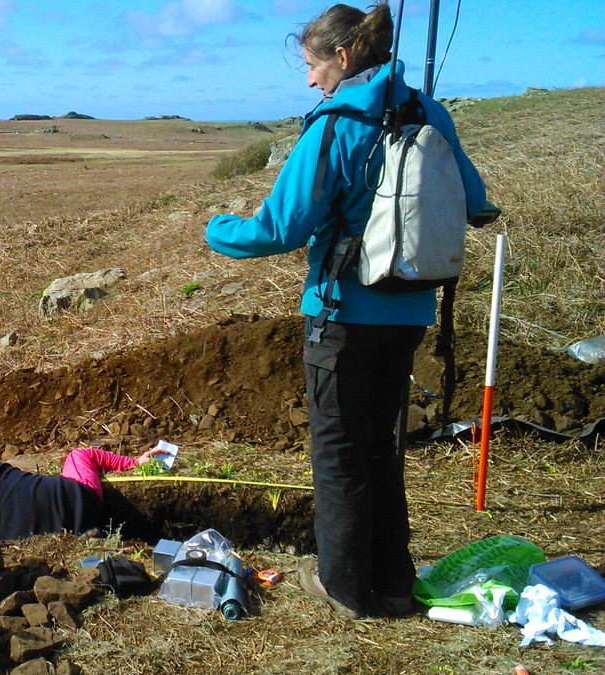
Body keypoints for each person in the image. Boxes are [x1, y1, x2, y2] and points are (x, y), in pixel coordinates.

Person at [204, 2, 486, 618]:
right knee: (382, 448)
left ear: (344, 56)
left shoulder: (335, 124)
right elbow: (475, 199)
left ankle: (345, 586)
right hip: (410, 312)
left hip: (343, 318)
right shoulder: (429, 112)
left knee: (338, 454)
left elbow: (279, 226)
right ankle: (391, 579)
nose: (308, 79)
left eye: (311, 65)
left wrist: (215, 229)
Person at [0, 446, 171, 557]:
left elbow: (82, 455)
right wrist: (135, 463)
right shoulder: (22, 544)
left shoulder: (84, 493)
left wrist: (133, 464)